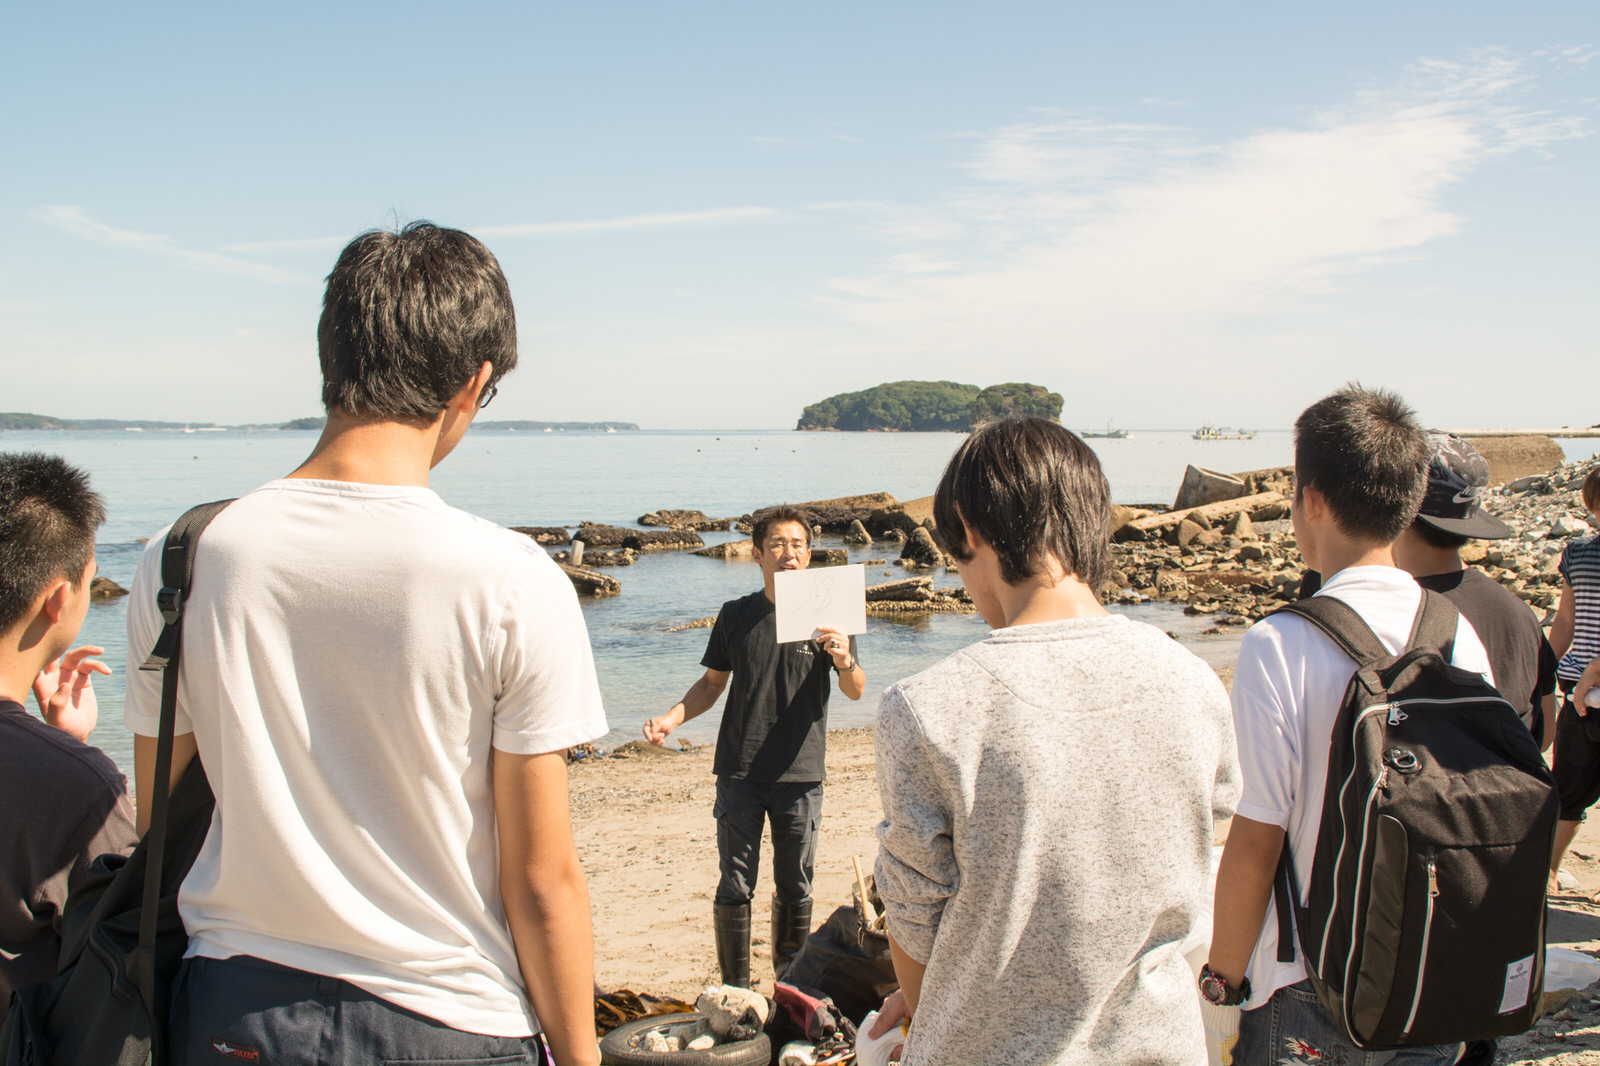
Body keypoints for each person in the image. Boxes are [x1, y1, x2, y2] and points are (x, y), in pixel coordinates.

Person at [124, 224, 608, 1066]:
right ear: (473, 383)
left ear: (330, 362)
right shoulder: (511, 579)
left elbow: (161, 812)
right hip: (447, 1017)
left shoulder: (185, 553)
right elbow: (541, 882)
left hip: (234, 1010)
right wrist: (580, 1056)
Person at [868, 418, 1239, 1066]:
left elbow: (915, 922)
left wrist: (938, 1016)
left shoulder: (927, 709)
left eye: (958, 559)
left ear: (970, 526)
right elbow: (1207, 871)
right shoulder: (1195, 684)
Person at [1206, 386, 1493, 1065]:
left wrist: (1222, 981)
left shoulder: (1281, 642)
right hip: (1431, 970)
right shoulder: (1456, 633)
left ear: (1311, 499)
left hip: (1312, 980)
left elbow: (1256, 840)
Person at [643, 505, 864, 988]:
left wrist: (846, 659)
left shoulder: (830, 615)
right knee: (735, 884)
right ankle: (736, 992)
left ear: (809, 554)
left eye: (798, 545)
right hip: (740, 769)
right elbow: (710, 684)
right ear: (758, 553)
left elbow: (856, 690)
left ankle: (788, 987)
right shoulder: (737, 615)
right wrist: (671, 717)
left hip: (802, 772)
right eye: (779, 545)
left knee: (795, 885)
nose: (789, 553)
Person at [0, 452, 136, 1001]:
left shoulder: (63, 776)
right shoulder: (77, 787)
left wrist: (57, 743)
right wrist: (62, 758)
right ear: (60, 598)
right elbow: (127, 944)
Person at [1390, 433, 1558, 748]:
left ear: (1397, 506)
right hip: (1514, 790)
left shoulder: (1388, 612)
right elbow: (1545, 733)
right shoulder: (1519, 613)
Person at [1544, 467, 1600, 890]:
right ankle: (1547, 871)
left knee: (1569, 789)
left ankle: (1547, 871)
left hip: (1583, 687)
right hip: (1578, 692)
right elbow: (1566, 619)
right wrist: (1544, 665)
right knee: (1567, 790)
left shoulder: (1578, 553)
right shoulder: (1577, 554)